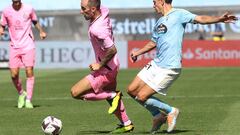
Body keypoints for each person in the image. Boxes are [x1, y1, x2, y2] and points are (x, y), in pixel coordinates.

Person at [127, 0, 237, 134]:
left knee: (142, 96)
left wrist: (218, 19)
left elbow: (200, 18)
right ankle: (157, 116)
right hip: (156, 63)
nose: (153, 5)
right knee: (131, 90)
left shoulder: (179, 14)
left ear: (162, 1)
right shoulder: (159, 22)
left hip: (170, 67)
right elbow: (153, 42)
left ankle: (171, 111)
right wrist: (137, 53)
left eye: (154, 1)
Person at [70, 0, 134, 133]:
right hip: (113, 65)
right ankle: (126, 123)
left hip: (106, 70)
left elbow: (112, 49)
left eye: (83, 9)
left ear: (93, 9)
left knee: (75, 92)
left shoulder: (97, 29)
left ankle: (111, 95)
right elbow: (98, 4)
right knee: (111, 99)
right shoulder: (104, 11)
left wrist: (100, 64)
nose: (81, 11)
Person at [0, 0, 47, 109]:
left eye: (18, 1)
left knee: (29, 71)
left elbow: (35, 21)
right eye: (14, 2)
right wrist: (1, 30)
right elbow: (2, 24)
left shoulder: (29, 9)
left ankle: (29, 100)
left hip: (28, 45)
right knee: (13, 75)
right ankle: (22, 93)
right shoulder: (6, 11)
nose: (16, 3)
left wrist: (41, 31)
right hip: (14, 46)